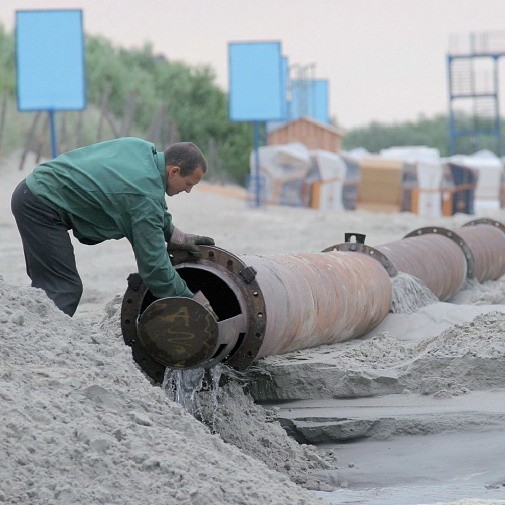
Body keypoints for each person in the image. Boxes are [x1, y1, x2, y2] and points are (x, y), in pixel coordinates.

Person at [11, 137, 215, 317]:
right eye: (189, 184)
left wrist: (174, 235)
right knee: (63, 288)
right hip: (40, 205)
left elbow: (149, 208)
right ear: (174, 171)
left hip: (37, 190)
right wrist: (191, 303)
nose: (188, 191)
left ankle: (28, 325)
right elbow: (154, 268)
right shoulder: (144, 196)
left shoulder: (143, 151)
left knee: (51, 286)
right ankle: (41, 343)